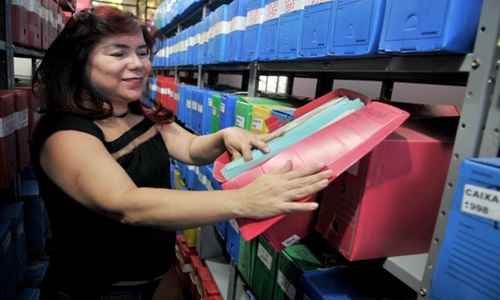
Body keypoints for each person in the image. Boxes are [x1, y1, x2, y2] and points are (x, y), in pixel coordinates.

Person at [31, 5, 331, 300]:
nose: (138, 64)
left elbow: (189, 148)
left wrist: (224, 135)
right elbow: (126, 204)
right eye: (118, 53)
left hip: (152, 276)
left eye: (142, 52)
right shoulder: (65, 135)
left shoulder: (134, 112)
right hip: (94, 289)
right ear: (78, 62)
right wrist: (243, 201)